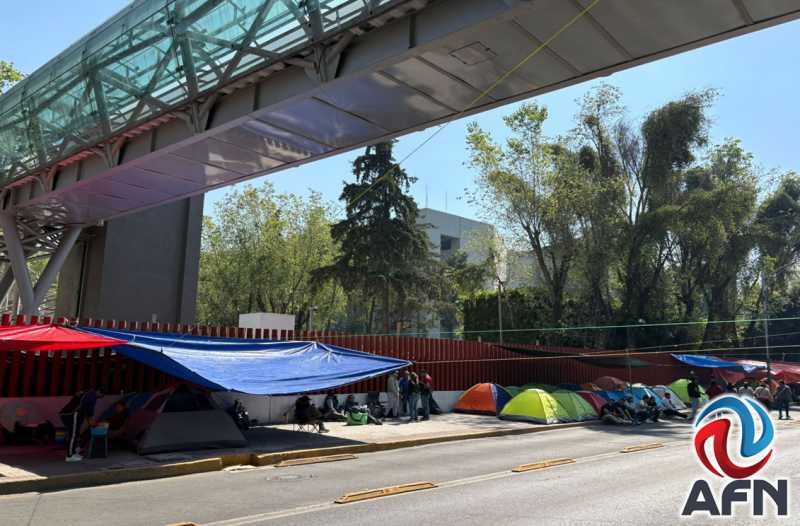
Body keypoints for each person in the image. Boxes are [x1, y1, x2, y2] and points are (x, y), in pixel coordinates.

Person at [65, 387, 104, 462]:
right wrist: (91, 421)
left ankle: (73, 452)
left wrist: (90, 420)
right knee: (74, 434)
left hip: (75, 413)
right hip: (74, 413)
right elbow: (89, 410)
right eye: (101, 395)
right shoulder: (92, 395)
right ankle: (69, 456)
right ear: (98, 391)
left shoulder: (87, 393)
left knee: (76, 434)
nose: (100, 397)